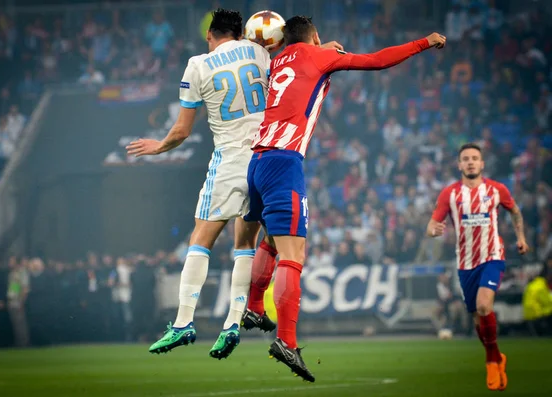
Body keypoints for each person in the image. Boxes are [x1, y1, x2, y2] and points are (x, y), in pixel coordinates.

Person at [243, 15, 445, 381]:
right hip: (284, 162)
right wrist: (425, 42)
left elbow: (299, 62)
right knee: (294, 255)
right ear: (315, 37)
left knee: (271, 239)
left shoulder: (277, 61)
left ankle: (255, 307)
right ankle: (286, 341)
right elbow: (377, 60)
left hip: (257, 161)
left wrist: (317, 49)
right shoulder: (318, 56)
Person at [126, 9, 272, 359]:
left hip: (230, 159)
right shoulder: (260, 52)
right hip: (265, 158)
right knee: (246, 242)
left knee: (201, 238)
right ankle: (233, 323)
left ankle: (183, 323)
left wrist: (158, 146)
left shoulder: (199, 64)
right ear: (240, 32)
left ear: (210, 34)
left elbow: (181, 131)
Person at [426, 143, 529, 391]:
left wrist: (521, 237)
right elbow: (431, 224)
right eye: (466, 159)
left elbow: (515, 212)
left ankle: (492, 361)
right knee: (477, 318)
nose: (470, 162)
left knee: (484, 306)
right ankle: (495, 354)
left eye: (475, 158)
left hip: (492, 256)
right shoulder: (449, 194)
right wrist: (434, 230)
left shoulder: (496, 190)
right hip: (465, 263)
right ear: (459, 165)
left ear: (482, 164)